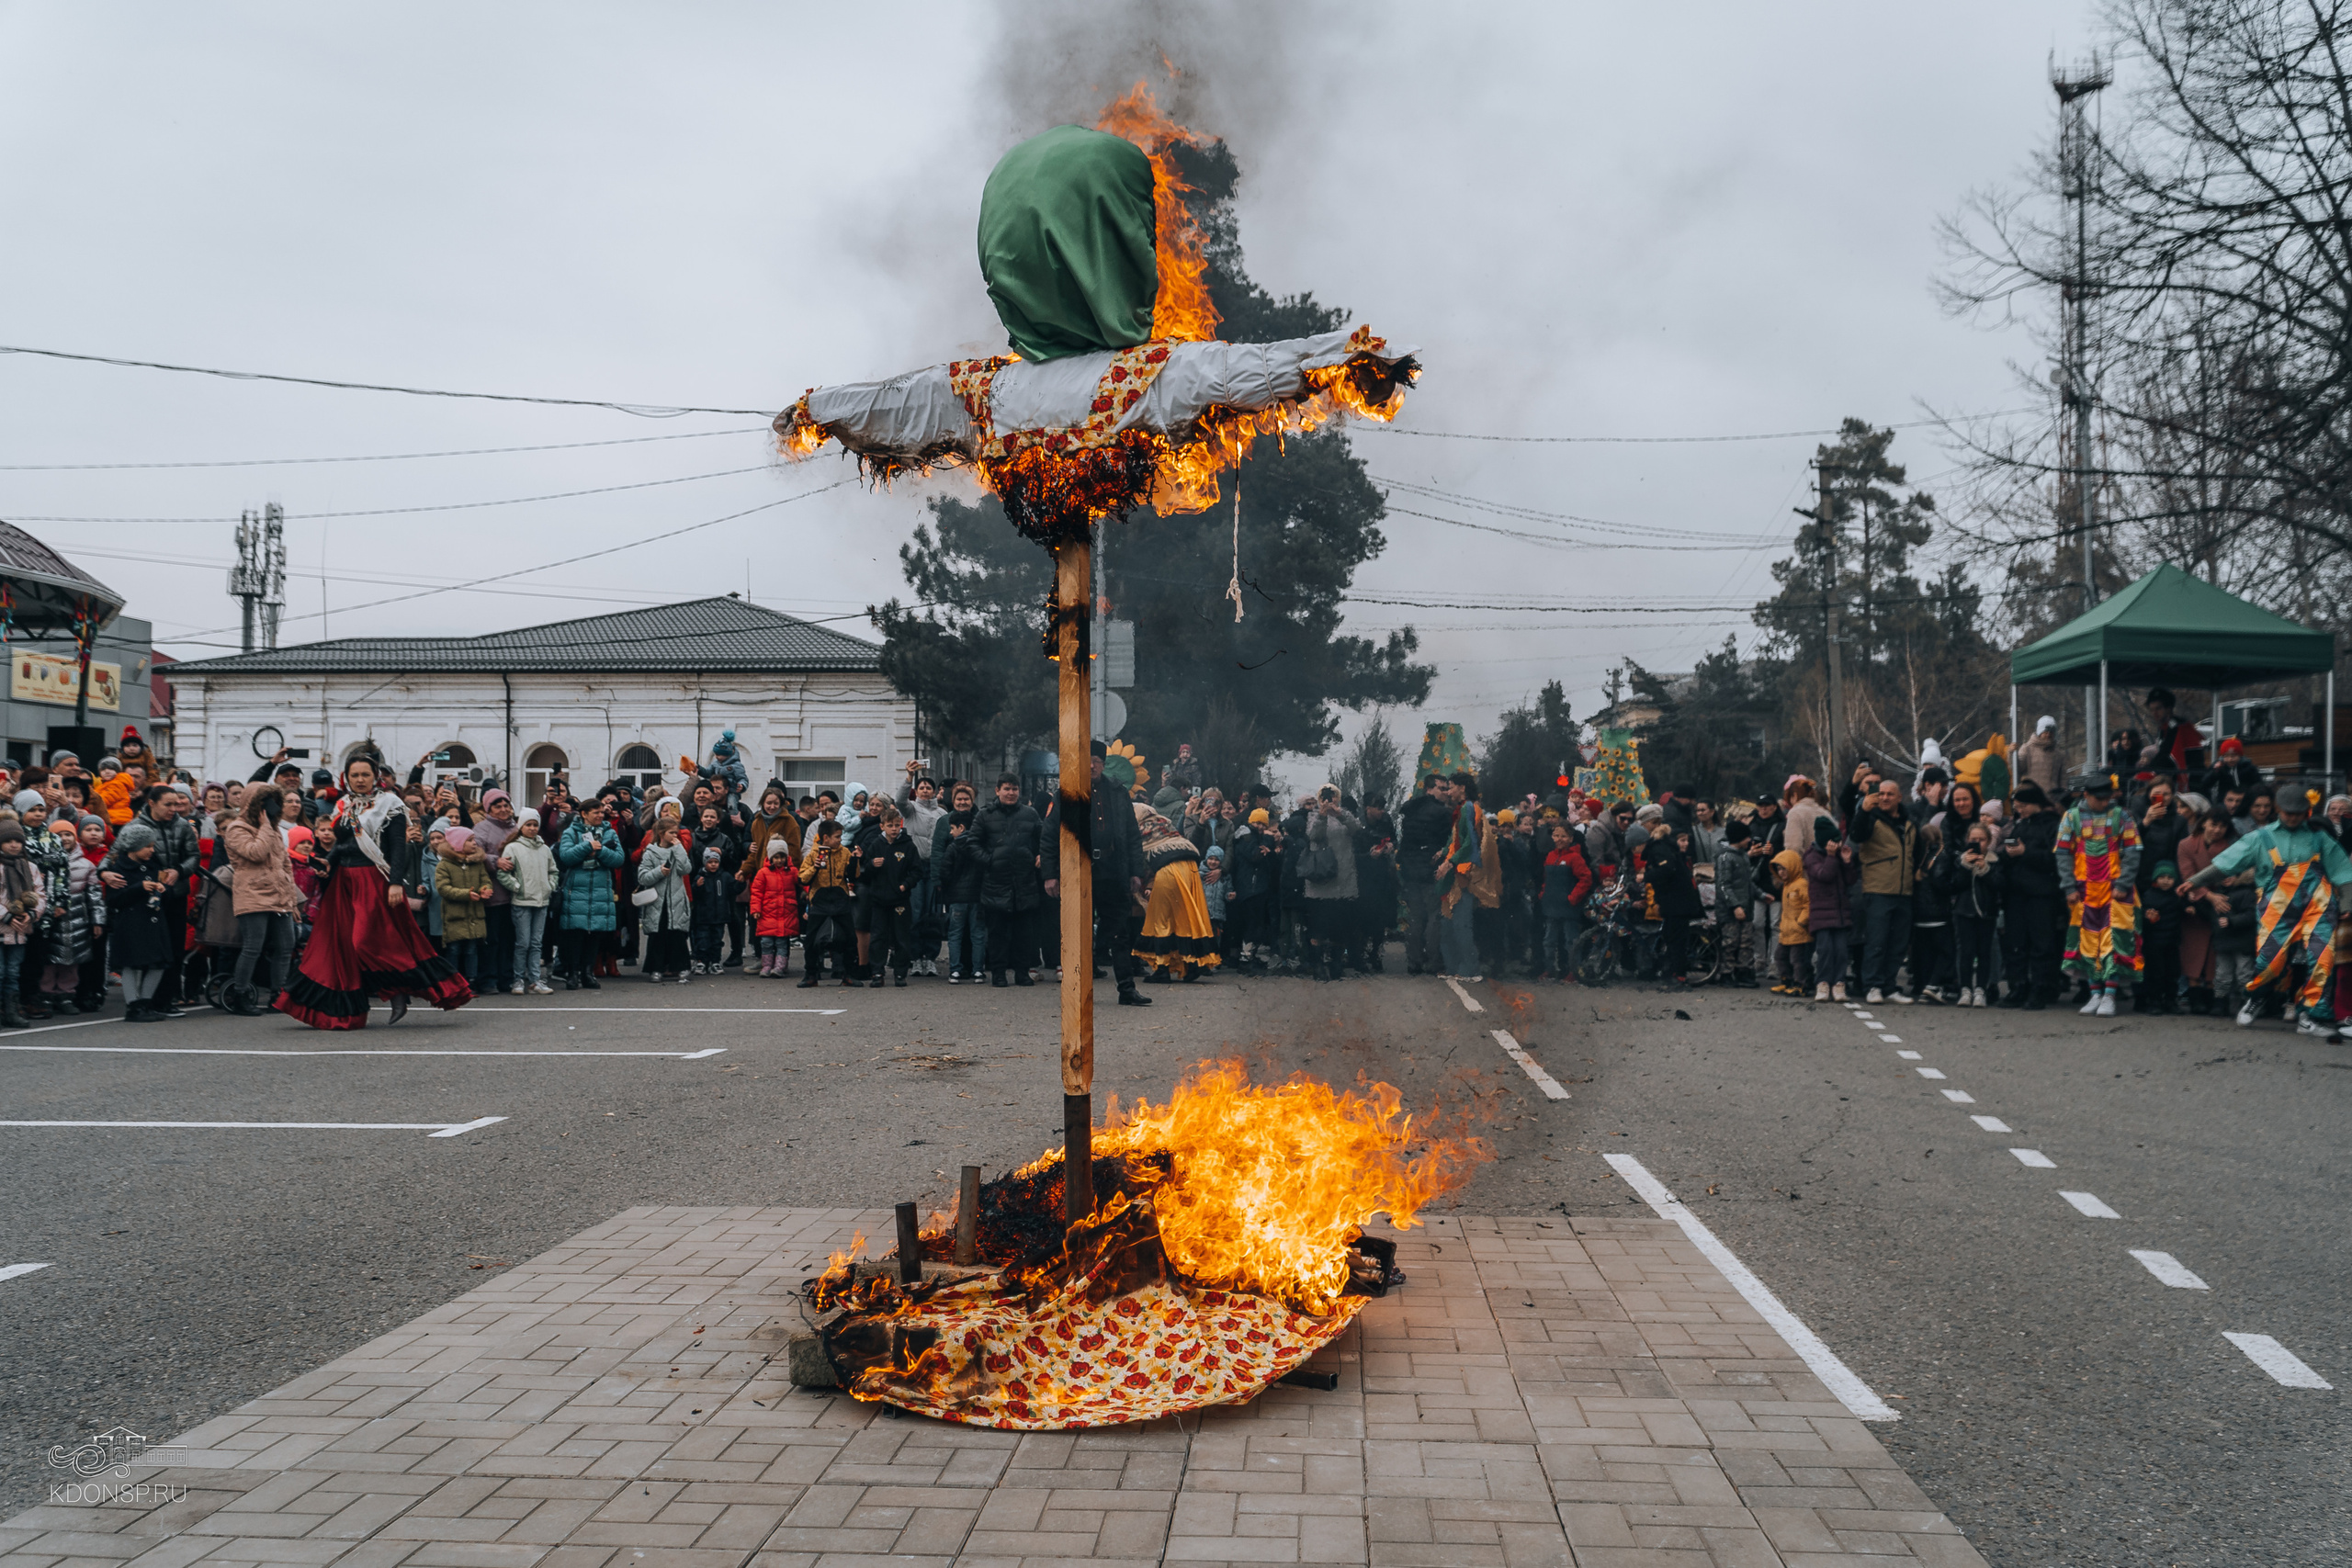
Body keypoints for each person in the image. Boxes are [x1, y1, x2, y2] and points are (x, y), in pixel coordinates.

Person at [277, 753, 469, 1028]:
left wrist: (394, 883)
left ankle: (397, 990)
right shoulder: (343, 804)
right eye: (354, 775)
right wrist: (326, 863)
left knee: (365, 942)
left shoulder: (390, 804)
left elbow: (398, 849)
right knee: (337, 947)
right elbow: (342, 846)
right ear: (346, 777)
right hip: (343, 882)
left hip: (373, 879)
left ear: (375, 776)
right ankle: (345, 1009)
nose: (359, 779)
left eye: (365, 774)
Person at [2186, 778, 2352, 1036]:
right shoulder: (2260, 838)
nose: (2294, 818)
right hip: (2277, 912)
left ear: (2306, 812)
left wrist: (2346, 902)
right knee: (2269, 963)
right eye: (2288, 813)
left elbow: (2344, 873)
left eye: (2299, 813)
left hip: (2318, 911)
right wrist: (2194, 882)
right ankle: (2256, 997)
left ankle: (2311, 1016)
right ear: (2279, 809)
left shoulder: (2320, 839)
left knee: (2323, 961)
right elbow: (2226, 865)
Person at [1043, 741, 1152, 1006]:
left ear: (1103, 764)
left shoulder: (1117, 792)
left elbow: (1132, 836)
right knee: (1077, 933)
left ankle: (1127, 989)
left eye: (1096, 761)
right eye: (1086, 761)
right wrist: (1050, 873)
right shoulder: (1067, 794)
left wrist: (1136, 872)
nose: (1091, 766)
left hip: (1114, 870)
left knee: (1120, 932)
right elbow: (1050, 836)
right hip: (1078, 871)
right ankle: (1076, 991)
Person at [2056, 773, 2143, 1018]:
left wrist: (2124, 884)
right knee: (2087, 940)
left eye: (2108, 798)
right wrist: (2069, 887)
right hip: (2084, 890)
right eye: (2099, 799)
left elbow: (2133, 851)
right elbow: (2062, 853)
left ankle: (2110, 995)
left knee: (2114, 940)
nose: (2105, 803)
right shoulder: (2071, 817)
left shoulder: (2122, 816)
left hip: (2115, 890)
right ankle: (2095, 993)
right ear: (2086, 795)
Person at [220, 784, 300, 1016]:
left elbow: (285, 863)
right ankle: (240, 995)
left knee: (286, 946)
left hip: (279, 896)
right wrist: (266, 827)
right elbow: (255, 853)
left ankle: (278, 995)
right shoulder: (237, 828)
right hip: (253, 895)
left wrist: (292, 899)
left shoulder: (273, 829)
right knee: (252, 947)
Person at [1849, 777, 1922, 1004]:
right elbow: (1857, 835)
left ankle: (1890, 986)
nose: (1885, 798)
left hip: (1904, 891)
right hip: (1878, 889)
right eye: (1881, 794)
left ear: (1900, 797)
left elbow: (1917, 851)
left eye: (1890, 794)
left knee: (1898, 943)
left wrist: (1915, 872)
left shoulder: (1910, 822)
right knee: (1876, 941)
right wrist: (1863, 811)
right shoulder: (1870, 818)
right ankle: (1872, 986)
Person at [971, 774, 1046, 988]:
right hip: (996, 883)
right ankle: (999, 974)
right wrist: (990, 860)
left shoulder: (1030, 814)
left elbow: (1043, 839)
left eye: (1014, 789)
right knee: (997, 935)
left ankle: (1022, 974)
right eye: (1006, 789)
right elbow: (972, 843)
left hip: (1025, 883)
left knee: (1024, 935)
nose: (1011, 793)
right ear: (997, 791)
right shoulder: (985, 815)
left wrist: (1040, 855)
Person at [1134, 802, 1220, 982]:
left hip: (1168, 869)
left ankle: (1162, 969)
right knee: (1185, 917)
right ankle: (1191, 965)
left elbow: (1138, 859)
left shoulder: (1139, 829)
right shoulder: (1165, 822)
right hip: (1191, 867)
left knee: (1161, 919)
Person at [103, 821, 173, 1022]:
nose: (152, 850)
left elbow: (166, 892)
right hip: (131, 923)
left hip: (154, 920)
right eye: (147, 846)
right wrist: (138, 888)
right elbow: (114, 899)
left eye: (152, 845)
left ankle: (145, 1002)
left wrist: (163, 890)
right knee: (131, 965)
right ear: (133, 847)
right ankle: (133, 1005)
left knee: (158, 963)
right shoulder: (120, 868)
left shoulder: (154, 865)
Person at [555, 796, 625, 990]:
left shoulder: (609, 832)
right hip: (576, 889)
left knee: (594, 934)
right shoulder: (571, 832)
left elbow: (619, 859)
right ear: (584, 814)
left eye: (602, 812)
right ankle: (572, 974)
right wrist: (587, 846)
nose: (601, 816)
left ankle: (588, 973)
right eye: (596, 812)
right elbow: (566, 856)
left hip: (601, 889)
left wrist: (599, 850)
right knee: (575, 934)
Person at [1299, 785, 1361, 983]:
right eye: (1325, 796)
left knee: (1340, 927)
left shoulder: (1346, 814)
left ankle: (1336, 964)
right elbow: (1313, 836)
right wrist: (1323, 815)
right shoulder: (1313, 816)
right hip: (1320, 880)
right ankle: (1318, 964)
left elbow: (1356, 830)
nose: (1329, 799)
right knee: (1318, 926)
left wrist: (1340, 813)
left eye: (1333, 795)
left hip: (1343, 879)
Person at [1396, 774, 1454, 976]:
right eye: (1441, 788)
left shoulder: (1411, 810)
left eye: (1447, 788)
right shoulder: (1442, 813)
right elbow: (1448, 841)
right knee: (1434, 916)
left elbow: (1405, 841)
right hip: (1431, 869)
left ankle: (1414, 961)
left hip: (1410, 870)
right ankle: (1434, 961)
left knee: (1415, 917)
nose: (1446, 792)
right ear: (1429, 789)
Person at [494, 808, 557, 994]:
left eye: (535, 825)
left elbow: (553, 871)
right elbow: (503, 873)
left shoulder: (545, 849)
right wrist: (517, 887)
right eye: (528, 825)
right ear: (521, 826)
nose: (532, 828)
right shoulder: (513, 848)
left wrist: (549, 886)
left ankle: (536, 979)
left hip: (541, 901)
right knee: (523, 943)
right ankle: (518, 979)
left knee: (536, 942)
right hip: (522, 902)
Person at [859, 808, 922, 987]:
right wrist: (871, 864)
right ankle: (877, 973)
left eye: (897, 825)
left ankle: (900, 973)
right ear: (882, 826)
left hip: (900, 900)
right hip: (879, 899)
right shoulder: (876, 845)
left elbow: (917, 870)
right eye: (890, 825)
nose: (894, 829)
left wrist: (906, 885)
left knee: (901, 937)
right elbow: (865, 870)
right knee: (878, 937)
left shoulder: (908, 845)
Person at [1802, 817, 1860, 1003]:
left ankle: (1839, 982)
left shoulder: (1837, 855)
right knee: (1825, 950)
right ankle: (1823, 982)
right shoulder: (1811, 856)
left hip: (1841, 911)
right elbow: (1824, 875)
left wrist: (1847, 861)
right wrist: (1831, 857)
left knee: (1841, 951)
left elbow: (1850, 880)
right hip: (1821, 911)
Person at [1435, 773, 1485, 982]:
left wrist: (1448, 862)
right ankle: (1454, 968)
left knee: (1460, 923)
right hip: (1456, 872)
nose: (1448, 791)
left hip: (1462, 874)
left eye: (1452, 786)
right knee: (1449, 922)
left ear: (1462, 788)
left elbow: (1469, 844)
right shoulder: (1463, 809)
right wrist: (1443, 852)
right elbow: (1457, 839)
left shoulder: (1468, 809)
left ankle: (1469, 969)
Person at [797, 818, 857, 987]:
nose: (840, 840)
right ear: (825, 838)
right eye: (837, 836)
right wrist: (815, 867)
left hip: (840, 899)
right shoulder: (814, 854)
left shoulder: (845, 852)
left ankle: (848, 974)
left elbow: (853, 876)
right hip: (820, 901)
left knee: (850, 939)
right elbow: (802, 878)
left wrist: (854, 861)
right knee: (810, 940)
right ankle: (811, 975)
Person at [636, 816, 693, 984]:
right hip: (656, 902)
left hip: (676, 899)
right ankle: (656, 968)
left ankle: (681, 967)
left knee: (677, 935)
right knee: (657, 936)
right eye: (672, 833)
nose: (676, 835)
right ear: (661, 833)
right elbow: (642, 877)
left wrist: (679, 849)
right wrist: (659, 872)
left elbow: (686, 869)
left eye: (676, 832)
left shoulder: (678, 848)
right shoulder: (650, 852)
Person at [933, 803, 984, 983]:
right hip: (977, 897)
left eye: (953, 829)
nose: (950, 833)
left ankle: (955, 970)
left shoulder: (953, 848)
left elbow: (944, 872)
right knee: (977, 934)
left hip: (957, 898)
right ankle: (978, 970)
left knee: (955, 934)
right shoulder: (979, 846)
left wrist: (947, 889)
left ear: (961, 828)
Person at [1539, 820, 1593, 985]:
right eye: (1556, 835)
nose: (1559, 839)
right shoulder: (1550, 855)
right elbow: (1546, 879)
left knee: (1571, 941)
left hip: (1569, 907)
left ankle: (1574, 972)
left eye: (1563, 836)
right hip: (1551, 905)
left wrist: (1573, 897)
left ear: (1570, 838)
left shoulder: (1575, 857)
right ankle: (1550, 970)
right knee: (1549, 940)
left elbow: (1586, 878)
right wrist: (1543, 893)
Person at [748, 837, 802, 977]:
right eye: (776, 857)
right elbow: (756, 893)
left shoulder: (792, 871)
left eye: (782, 857)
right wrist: (755, 909)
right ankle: (766, 965)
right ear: (770, 857)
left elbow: (803, 881)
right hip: (767, 913)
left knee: (782, 942)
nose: (779, 860)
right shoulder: (763, 873)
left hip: (785, 913)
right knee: (766, 942)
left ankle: (780, 966)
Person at [1714, 817, 1758, 987]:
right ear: (1739, 838)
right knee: (1730, 943)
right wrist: (1735, 906)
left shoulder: (1743, 857)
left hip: (1746, 907)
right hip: (1730, 910)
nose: (1749, 840)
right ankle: (1726, 973)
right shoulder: (1726, 858)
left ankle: (1744, 971)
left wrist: (1761, 895)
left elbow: (1748, 882)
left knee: (1746, 941)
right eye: (1747, 837)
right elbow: (1724, 885)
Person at [2138, 862, 2186, 1014]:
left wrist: (2188, 908)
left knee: (2173, 973)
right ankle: (2154, 1001)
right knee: (2155, 974)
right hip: (2154, 943)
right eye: (2162, 877)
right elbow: (2140, 919)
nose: (2166, 881)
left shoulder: (2177, 897)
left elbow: (2181, 912)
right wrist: (2148, 918)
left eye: (2170, 878)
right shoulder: (2148, 896)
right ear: (2155, 879)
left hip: (2172, 941)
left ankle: (2170, 1001)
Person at [690, 843, 737, 976]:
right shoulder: (700, 877)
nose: (713, 865)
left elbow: (733, 890)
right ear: (705, 863)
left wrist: (740, 882)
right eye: (710, 862)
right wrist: (697, 887)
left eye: (716, 862)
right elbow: (695, 895)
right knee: (702, 940)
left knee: (717, 941)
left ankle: (715, 962)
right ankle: (701, 961)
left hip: (720, 916)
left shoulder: (725, 876)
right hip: (703, 916)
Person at [2017, 715, 2064, 799]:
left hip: (2052, 798)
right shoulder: (2027, 748)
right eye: (2046, 732)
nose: (2048, 734)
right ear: (2039, 732)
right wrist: (2012, 754)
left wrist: (2063, 797)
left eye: (2051, 732)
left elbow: (2063, 778)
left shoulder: (2058, 754)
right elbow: (2018, 768)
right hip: (2032, 797)